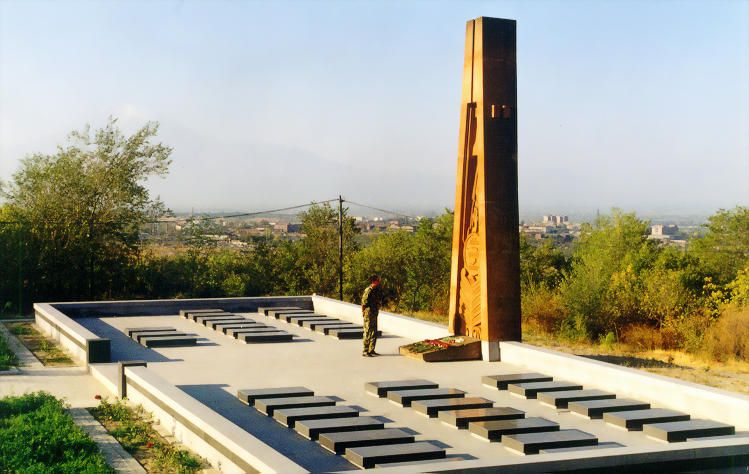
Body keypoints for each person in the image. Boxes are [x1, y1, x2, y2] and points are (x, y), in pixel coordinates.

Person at [361, 274, 382, 357]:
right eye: (378, 280)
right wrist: (363, 312)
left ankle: (371, 349)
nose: (379, 281)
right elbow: (363, 302)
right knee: (368, 331)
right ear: (374, 281)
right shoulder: (368, 290)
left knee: (374, 331)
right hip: (368, 313)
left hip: (374, 312)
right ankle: (365, 350)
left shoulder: (376, 289)